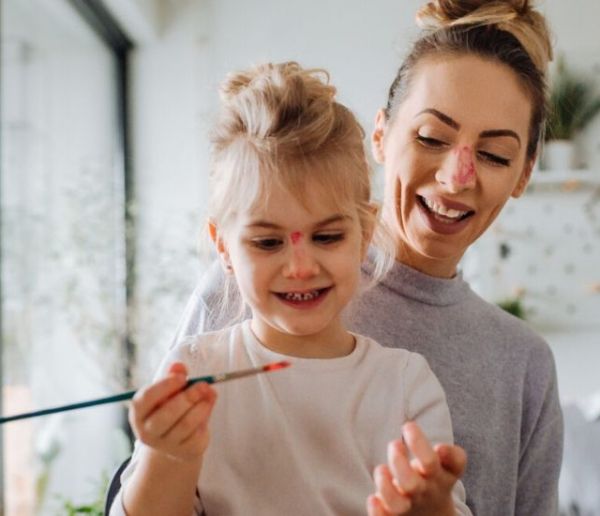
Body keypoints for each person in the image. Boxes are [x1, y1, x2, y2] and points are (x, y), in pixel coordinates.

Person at [171, 1, 564, 515]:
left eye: (494, 155)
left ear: (525, 173)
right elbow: (143, 487)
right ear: (380, 135)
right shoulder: (247, 289)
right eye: (431, 137)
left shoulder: (522, 365)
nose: (457, 176)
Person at [110, 62, 471, 516]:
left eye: (327, 237)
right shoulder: (195, 371)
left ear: (363, 234)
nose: (300, 267)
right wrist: (170, 455)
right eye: (267, 242)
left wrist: (430, 507)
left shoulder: (404, 383)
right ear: (223, 246)